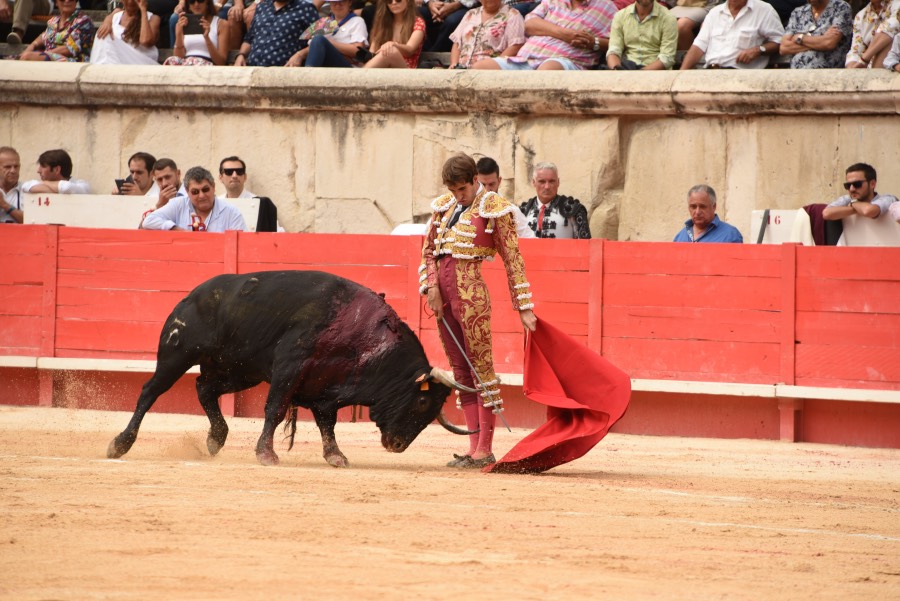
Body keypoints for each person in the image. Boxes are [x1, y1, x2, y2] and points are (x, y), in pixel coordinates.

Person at [420, 153, 537, 469]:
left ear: (475, 180)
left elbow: (513, 259)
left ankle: (484, 449)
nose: (458, 195)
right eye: (453, 190)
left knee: (481, 371)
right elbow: (428, 252)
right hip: (443, 301)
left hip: (471, 299)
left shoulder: (495, 208)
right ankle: (473, 448)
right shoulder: (444, 207)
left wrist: (524, 307)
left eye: (462, 189)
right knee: (460, 371)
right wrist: (431, 288)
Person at [471, 0, 617, 70]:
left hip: (566, 61)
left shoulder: (608, 8)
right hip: (525, 59)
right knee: (480, 68)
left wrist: (594, 42)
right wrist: (563, 34)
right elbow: (529, 24)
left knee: (547, 70)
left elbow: (618, 43)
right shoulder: (553, 0)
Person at [679, 0, 784, 69]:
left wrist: (758, 50)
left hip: (743, 76)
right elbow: (698, 46)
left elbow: (779, 41)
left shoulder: (764, 10)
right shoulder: (714, 13)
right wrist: (680, 74)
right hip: (711, 73)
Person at [142, 166, 247, 232]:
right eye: (195, 192)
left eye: (205, 190)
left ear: (213, 187)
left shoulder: (231, 212)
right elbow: (148, 221)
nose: (201, 196)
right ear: (187, 191)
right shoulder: (178, 204)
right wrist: (177, 229)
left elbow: (243, 243)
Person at [233, 0, 320, 67]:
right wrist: (241, 55)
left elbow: (321, 37)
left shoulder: (306, 8)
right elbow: (249, 39)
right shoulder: (262, 7)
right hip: (253, 69)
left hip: (284, 72)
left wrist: (300, 55)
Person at [285, 0, 369, 67]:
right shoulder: (323, 21)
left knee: (319, 39)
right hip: (325, 61)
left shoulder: (357, 21)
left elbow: (357, 51)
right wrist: (299, 54)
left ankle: (308, 76)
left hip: (347, 66)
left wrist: (329, 43)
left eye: (342, 1)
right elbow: (313, 46)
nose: (338, 5)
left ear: (349, 2)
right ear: (330, 3)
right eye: (334, 2)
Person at [518, 162, 591, 239]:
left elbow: (585, 244)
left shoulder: (574, 210)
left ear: (558, 182)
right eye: (542, 181)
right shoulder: (522, 211)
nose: (547, 187)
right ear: (534, 182)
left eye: (551, 181)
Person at [447, 0, 526, 69]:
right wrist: (454, 64)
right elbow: (457, 42)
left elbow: (516, 46)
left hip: (488, 71)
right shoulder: (471, 14)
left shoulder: (513, 15)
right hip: (461, 69)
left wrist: (496, 65)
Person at [605, 0, 678, 69]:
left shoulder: (668, 18)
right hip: (627, 67)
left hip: (655, 71)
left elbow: (667, 58)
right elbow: (614, 50)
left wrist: (639, 74)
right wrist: (616, 70)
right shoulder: (620, 16)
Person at [779, 0, 852, 69]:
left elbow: (829, 43)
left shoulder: (840, 7)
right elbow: (784, 48)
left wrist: (800, 38)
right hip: (796, 72)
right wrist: (821, 40)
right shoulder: (798, 12)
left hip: (828, 72)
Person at [475, 157, 535, 239]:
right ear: (475, 182)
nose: (487, 190)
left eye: (491, 184)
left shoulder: (512, 211)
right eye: (483, 184)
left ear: (499, 181)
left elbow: (532, 240)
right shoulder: (465, 208)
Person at [16, 0, 94, 62]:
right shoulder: (53, 21)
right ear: (56, 2)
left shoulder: (83, 21)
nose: (67, 1)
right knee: (14, 58)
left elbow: (70, 48)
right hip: (50, 57)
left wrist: (43, 54)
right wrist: (32, 46)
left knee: (28, 57)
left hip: (73, 61)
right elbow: (43, 36)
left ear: (75, 2)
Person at [90, 0, 161, 65]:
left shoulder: (153, 18)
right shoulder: (116, 15)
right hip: (117, 62)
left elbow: (145, 40)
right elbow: (105, 26)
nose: (130, 2)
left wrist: (143, 10)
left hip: (141, 62)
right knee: (103, 35)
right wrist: (108, 21)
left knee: (106, 38)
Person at [822, 163, 898, 221]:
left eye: (857, 184)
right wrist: (857, 208)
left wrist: (853, 204)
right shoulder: (847, 199)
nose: (851, 189)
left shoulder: (888, 199)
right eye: (848, 185)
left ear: (872, 184)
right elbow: (826, 213)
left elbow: (868, 211)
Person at [363, 0, 426, 69]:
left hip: (406, 71)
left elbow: (410, 50)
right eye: (389, 1)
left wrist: (394, 45)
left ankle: (360, 74)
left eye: (398, 0)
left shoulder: (418, 22)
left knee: (391, 51)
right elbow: (372, 52)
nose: (394, 3)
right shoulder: (382, 23)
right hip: (383, 69)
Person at [164, 0, 229, 66]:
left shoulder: (221, 24)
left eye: (200, 0)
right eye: (192, 1)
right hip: (186, 64)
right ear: (188, 5)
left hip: (206, 65)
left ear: (207, 2)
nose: (196, 4)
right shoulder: (184, 23)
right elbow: (178, 58)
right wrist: (178, 34)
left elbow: (221, 62)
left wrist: (207, 38)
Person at [673, 184, 743, 242]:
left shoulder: (731, 235)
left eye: (702, 206)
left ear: (714, 206)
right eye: (693, 207)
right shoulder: (679, 237)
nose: (697, 212)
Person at [845, 0, 899, 69]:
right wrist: (851, 67)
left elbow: (890, 28)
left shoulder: (897, 4)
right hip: (867, 68)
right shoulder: (860, 16)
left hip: (892, 65)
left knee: (889, 40)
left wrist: (864, 59)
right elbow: (855, 50)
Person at [20, 149, 91, 194]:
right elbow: (26, 186)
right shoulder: (42, 184)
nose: (38, 171)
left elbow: (67, 187)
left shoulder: (82, 185)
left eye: (43, 167)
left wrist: (45, 183)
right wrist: (56, 191)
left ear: (57, 170)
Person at [0, 147, 24, 224]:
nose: (13, 171)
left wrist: (4, 205)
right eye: (7, 167)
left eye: (16, 166)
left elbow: (31, 221)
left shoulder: (26, 190)